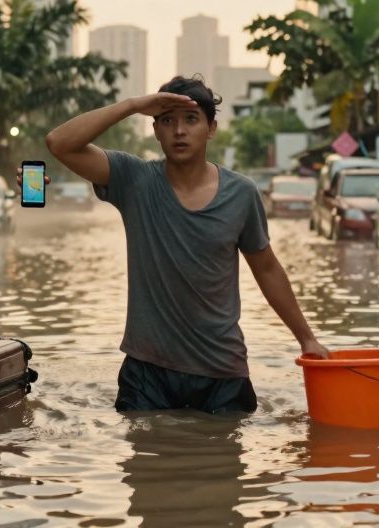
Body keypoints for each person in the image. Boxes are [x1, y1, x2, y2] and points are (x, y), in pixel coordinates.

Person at [27, 75, 330, 413]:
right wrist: (133, 105)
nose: (179, 131)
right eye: (167, 121)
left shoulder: (241, 193)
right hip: (147, 375)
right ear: (155, 130)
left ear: (211, 128)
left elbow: (267, 268)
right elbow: (60, 143)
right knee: (146, 460)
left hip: (222, 374)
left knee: (224, 461)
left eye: (191, 119)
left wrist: (306, 338)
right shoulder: (134, 179)